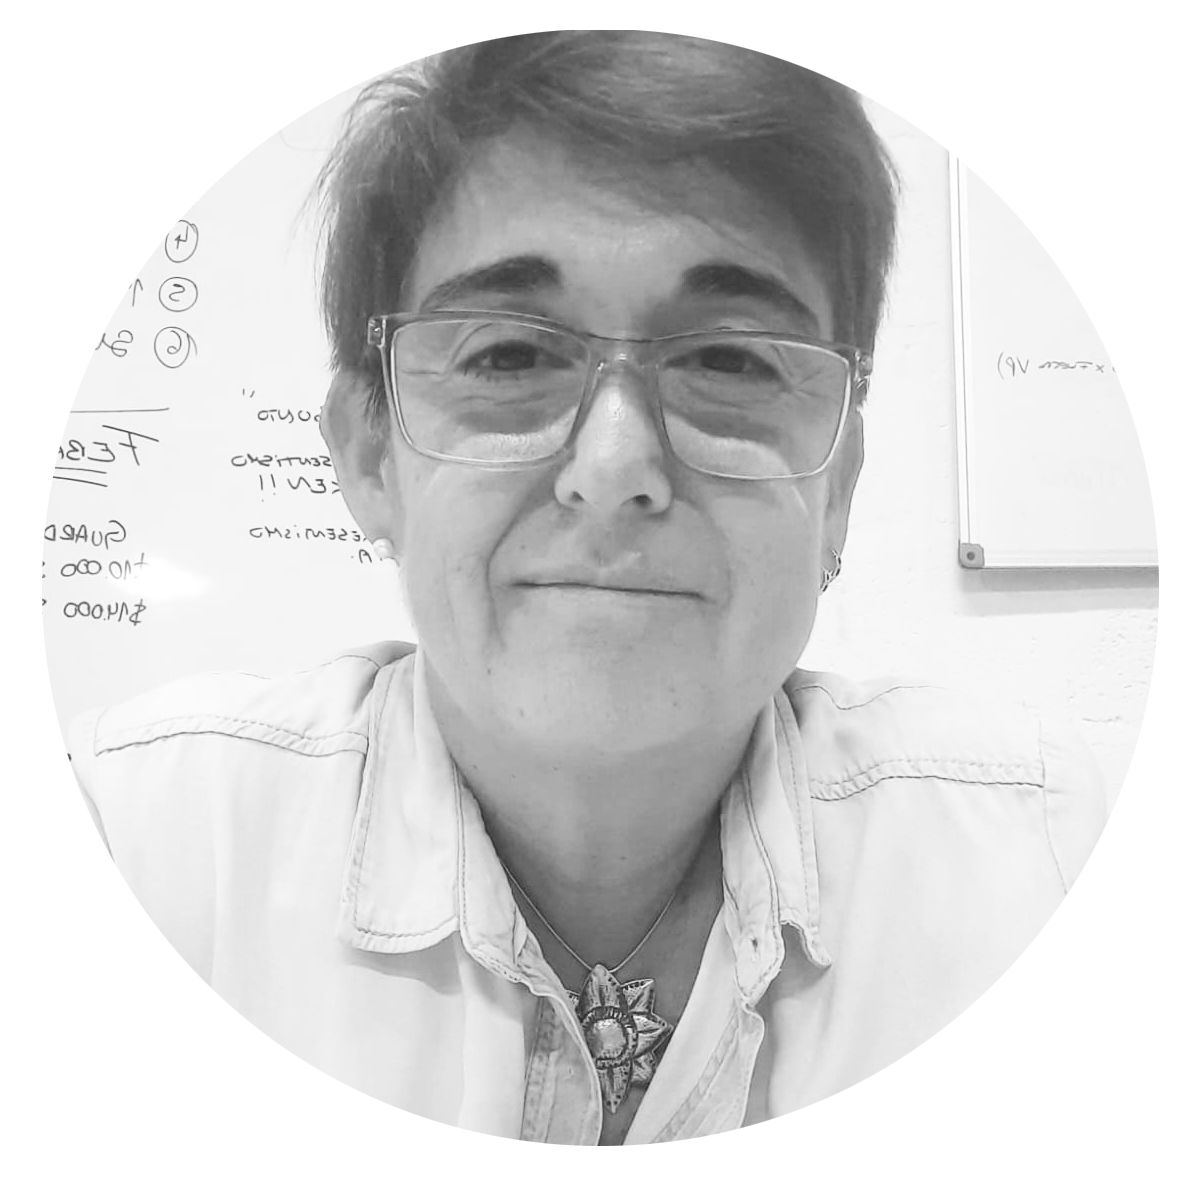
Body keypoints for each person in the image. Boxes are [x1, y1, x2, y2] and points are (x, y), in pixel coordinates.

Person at [68, 31, 1107, 1145]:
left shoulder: (1048, 870)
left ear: (839, 484)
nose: (613, 469)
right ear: (370, 457)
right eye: (509, 356)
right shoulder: (133, 855)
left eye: (730, 360)